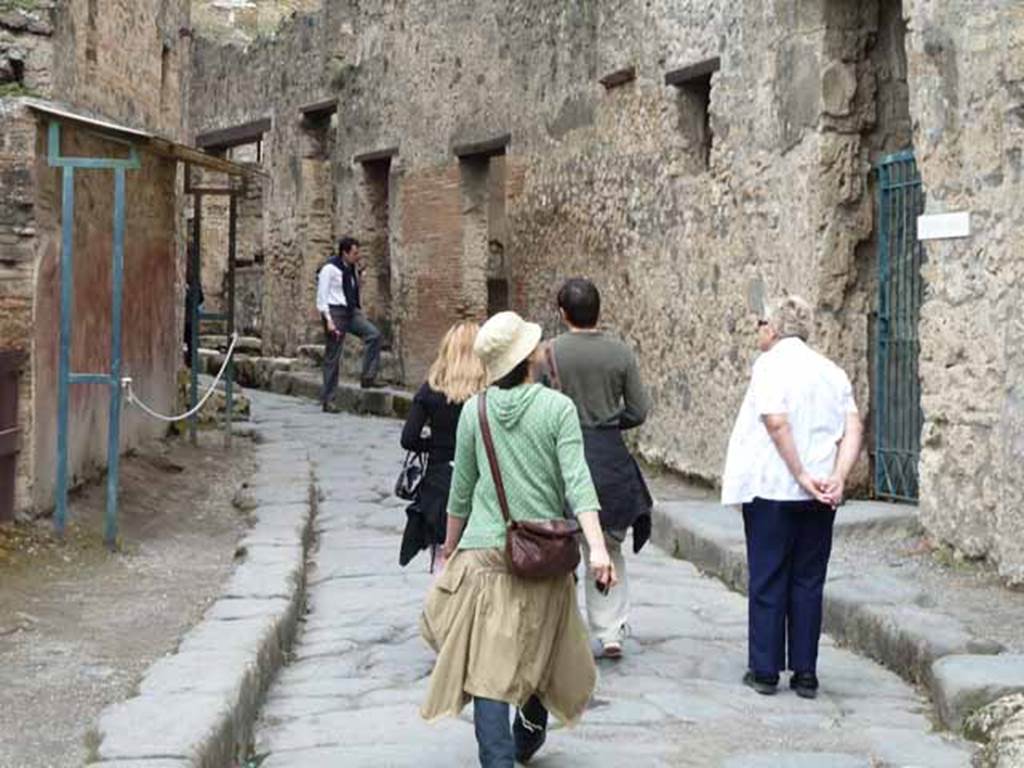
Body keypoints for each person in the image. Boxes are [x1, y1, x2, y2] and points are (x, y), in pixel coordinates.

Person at [420, 310, 617, 768]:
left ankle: (500, 758)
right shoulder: (558, 410)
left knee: (490, 664)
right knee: (542, 648)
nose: (544, 348)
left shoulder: (476, 410)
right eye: (537, 344)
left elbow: (461, 492)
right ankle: (526, 737)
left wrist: (451, 550)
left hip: (489, 554)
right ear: (528, 358)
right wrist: (599, 548)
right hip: (545, 554)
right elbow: (578, 483)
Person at [721, 295, 863, 699]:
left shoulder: (769, 365)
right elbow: (852, 428)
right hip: (822, 492)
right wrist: (838, 476)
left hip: (773, 487)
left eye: (764, 324)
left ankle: (765, 670)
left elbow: (775, 421)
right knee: (808, 580)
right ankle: (805, 673)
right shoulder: (833, 372)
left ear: (776, 329)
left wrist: (799, 474)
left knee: (768, 577)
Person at [542, 277, 652, 659]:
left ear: (562, 312)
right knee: (607, 545)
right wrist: (609, 422)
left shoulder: (548, 354)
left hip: (562, 457)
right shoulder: (620, 353)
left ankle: (564, 629)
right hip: (609, 456)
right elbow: (639, 409)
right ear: (598, 311)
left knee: (562, 547)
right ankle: (610, 631)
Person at [399, 321, 487, 569]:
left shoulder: (431, 390)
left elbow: (408, 438)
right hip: (481, 482)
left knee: (443, 557)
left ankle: (444, 603)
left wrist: (434, 444)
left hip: (440, 481)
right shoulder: (489, 392)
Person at [316, 236, 382, 411]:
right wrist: (328, 321)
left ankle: (368, 377)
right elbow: (322, 297)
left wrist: (359, 282)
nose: (357, 256)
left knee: (373, 334)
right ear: (344, 252)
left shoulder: (351, 268)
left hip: (350, 312)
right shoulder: (329, 269)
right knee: (333, 356)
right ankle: (328, 399)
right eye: (354, 252)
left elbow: (352, 290)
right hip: (335, 312)